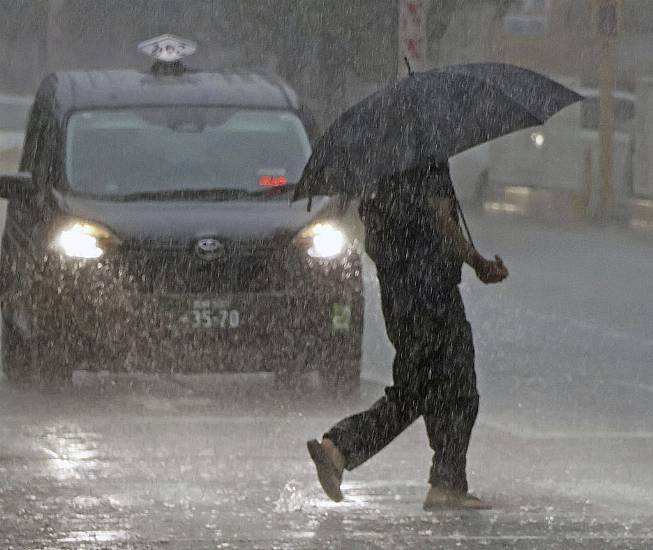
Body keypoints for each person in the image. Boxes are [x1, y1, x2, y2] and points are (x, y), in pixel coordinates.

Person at [307, 163, 508, 510]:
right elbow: (442, 218)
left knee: (419, 389)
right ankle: (444, 482)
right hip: (433, 295)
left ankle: (341, 450)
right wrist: (478, 262)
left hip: (399, 298)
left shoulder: (379, 167)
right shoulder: (427, 154)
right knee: (457, 389)